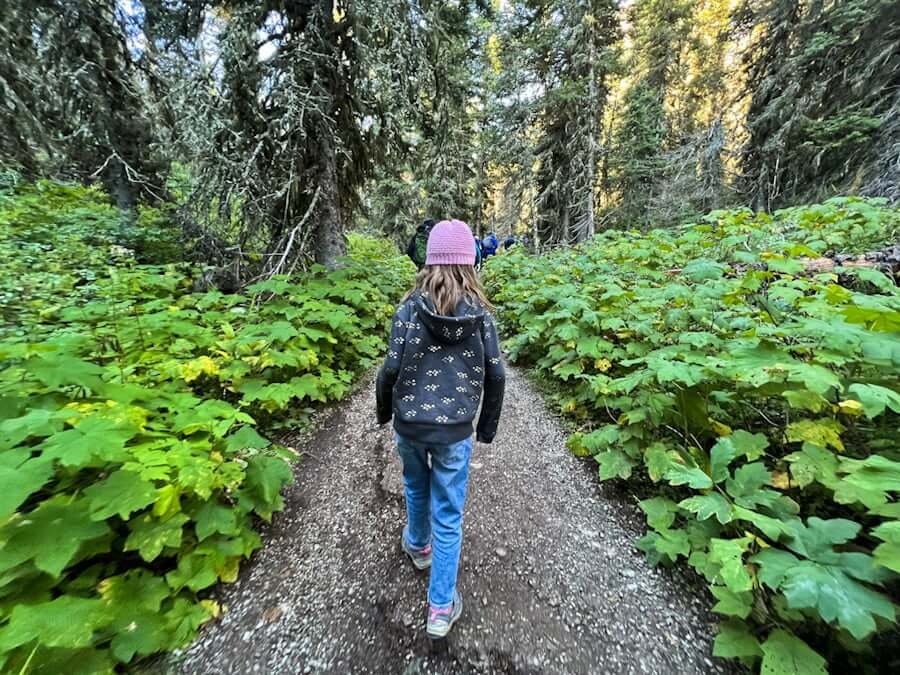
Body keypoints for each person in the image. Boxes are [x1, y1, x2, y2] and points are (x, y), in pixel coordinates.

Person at [376, 219, 505, 640]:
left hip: (410, 426)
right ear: (470, 263)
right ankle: (440, 608)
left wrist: (384, 412)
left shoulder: (408, 309)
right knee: (449, 515)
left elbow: (390, 369)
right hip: (454, 433)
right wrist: (485, 428)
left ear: (429, 261)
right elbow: (496, 375)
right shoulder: (482, 316)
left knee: (415, 486)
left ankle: (417, 545)